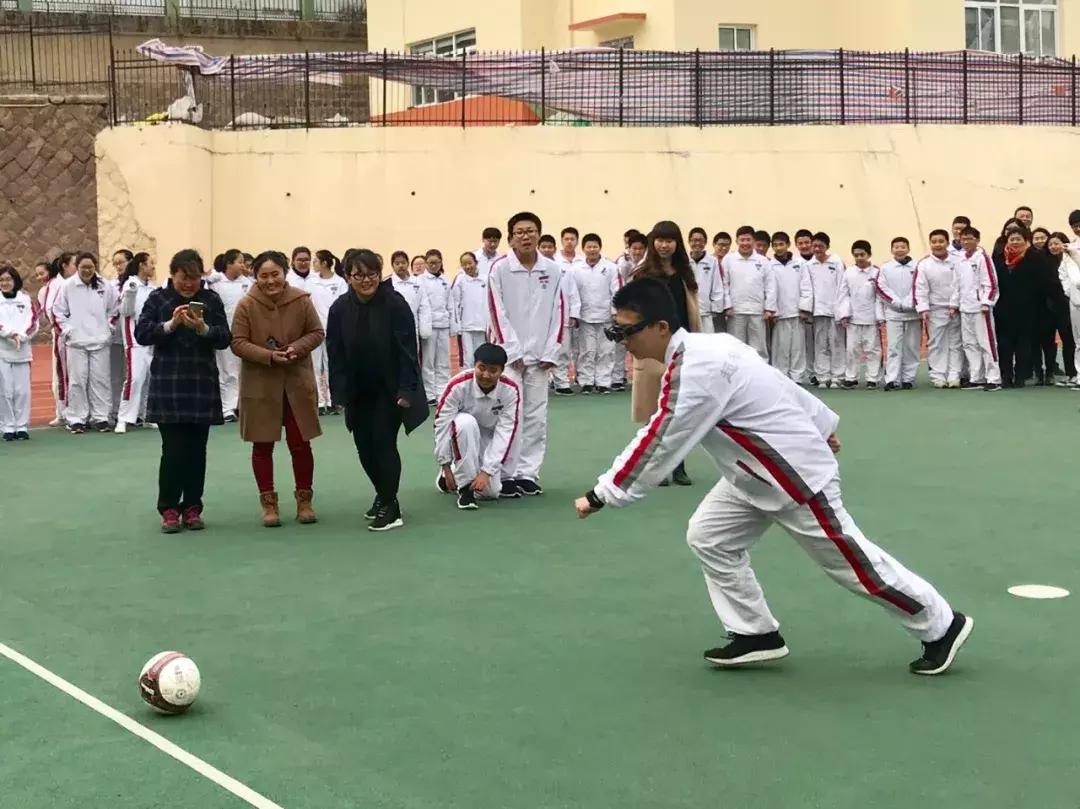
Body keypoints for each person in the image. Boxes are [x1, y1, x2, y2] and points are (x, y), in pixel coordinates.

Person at [574, 277, 973, 675]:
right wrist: (820, 423)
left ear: (660, 327)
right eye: (615, 331)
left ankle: (941, 625)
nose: (621, 341)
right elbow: (777, 382)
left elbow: (661, 439)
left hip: (792, 477)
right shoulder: (712, 346)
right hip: (753, 475)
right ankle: (755, 633)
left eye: (625, 332)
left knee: (855, 567)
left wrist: (602, 494)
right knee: (710, 537)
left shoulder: (695, 370)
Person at [327, 249, 428, 532]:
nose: (366, 280)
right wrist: (339, 392)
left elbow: (408, 351)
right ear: (348, 277)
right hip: (358, 390)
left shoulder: (395, 304)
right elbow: (335, 353)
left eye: (372, 274)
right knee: (364, 446)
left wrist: (406, 390)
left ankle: (391, 506)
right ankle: (382, 494)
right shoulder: (339, 308)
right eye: (358, 275)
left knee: (383, 442)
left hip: (389, 389)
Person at [135, 249, 231, 533]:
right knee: (173, 450)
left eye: (195, 278)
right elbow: (142, 334)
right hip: (169, 386)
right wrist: (171, 324)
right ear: (172, 274)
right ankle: (168, 508)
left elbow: (225, 338)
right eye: (183, 278)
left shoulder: (211, 299)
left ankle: (192, 507)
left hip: (201, 384)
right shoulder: (158, 299)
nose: (189, 284)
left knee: (197, 451)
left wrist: (203, 329)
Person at [231, 250, 325, 528]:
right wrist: (269, 356)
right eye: (264, 276)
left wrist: (296, 348)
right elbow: (237, 342)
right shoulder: (246, 305)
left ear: (285, 273)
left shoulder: (301, 300)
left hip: (296, 382)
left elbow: (317, 333)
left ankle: (304, 500)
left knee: (300, 444)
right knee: (262, 445)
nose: (270, 281)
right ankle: (268, 503)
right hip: (260, 383)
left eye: (275, 274)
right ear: (255, 276)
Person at [487, 212, 567, 497]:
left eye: (531, 231)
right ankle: (505, 474)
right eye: (519, 232)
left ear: (539, 235)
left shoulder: (553, 270)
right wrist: (511, 351)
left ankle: (527, 473)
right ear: (510, 238)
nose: (525, 236)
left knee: (536, 417)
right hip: (509, 359)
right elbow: (496, 312)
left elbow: (560, 311)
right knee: (509, 415)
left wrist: (551, 351)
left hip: (540, 358)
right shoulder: (500, 269)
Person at [628, 220, 700, 487]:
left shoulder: (684, 275)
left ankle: (678, 465)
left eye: (669, 240)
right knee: (653, 411)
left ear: (677, 244)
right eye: (659, 240)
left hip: (681, 347)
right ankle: (655, 467)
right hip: (650, 348)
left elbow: (693, 311)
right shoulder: (642, 274)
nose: (664, 245)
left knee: (680, 409)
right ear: (653, 242)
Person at [434, 342, 521, 510]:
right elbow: (442, 424)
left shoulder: (510, 391)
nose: (486, 375)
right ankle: (465, 490)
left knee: (490, 492)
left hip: (487, 437)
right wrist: (444, 464)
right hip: (459, 433)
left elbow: (505, 433)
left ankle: (457, 474)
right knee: (466, 423)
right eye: (481, 368)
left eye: (493, 370)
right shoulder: (457, 385)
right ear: (474, 365)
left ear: (502, 371)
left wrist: (487, 471)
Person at [53, 252, 119, 433]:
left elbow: (114, 309)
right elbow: (57, 312)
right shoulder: (67, 286)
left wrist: (108, 328)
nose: (87, 271)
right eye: (83, 267)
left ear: (95, 267)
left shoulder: (105, 286)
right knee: (77, 381)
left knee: (100, 380)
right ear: (77, 267)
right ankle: (76, 419)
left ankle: (101, 417)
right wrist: (68, 331)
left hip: (100, 341)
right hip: (76, 343)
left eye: (90, 267)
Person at [993, 224, 1044, 388]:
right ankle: (1006, 375)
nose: (1014, 242)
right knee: (1004, 344)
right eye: (1012, 239)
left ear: (1025, 241)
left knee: (1023, 344)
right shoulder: (999, 258)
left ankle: (1020, 376)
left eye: (1018, 239)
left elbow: (1040, 284)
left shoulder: (1034, 258)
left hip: (1026, 308)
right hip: (1003, 308)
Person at [206, 249, 252, 422]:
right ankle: (227, 408)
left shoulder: (247, 283)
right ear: (228, 264)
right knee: (226, 370)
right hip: (223, 332)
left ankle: (240, 405)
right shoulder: (216, 283)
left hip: (243, 333)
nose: (242, 265)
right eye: (239, 262)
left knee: (242, 371)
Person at [953, 227, 1002, 391]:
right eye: (963, 239)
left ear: (977, 240)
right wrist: (954, 304)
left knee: (986, 343)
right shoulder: (959, 259)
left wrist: (986, 302)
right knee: (969, 344)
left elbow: (991, 283)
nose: (966, 242)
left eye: (970, 238)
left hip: (981, 309)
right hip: (965, 308)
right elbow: (956, 284)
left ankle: (993, 378)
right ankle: (977, 377)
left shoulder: (982, 257)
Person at [572, 233, 620, 394]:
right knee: (587, 351)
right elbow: (573, 293)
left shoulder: (611, 267)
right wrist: (574, 314)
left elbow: (616, 290)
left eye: (595, 246)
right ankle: (586, 381)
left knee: (606, 351)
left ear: (600, 248)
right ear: (583, 248)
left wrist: (615, 312)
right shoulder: (576, 269)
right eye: (589, 247)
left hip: (606, 316)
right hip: (585, 316)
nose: (592, 250)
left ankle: (603, 382)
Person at [115, 252, 157, 432]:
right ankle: (123, 419)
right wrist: (130, 294)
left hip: (151, 339)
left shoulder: (152, 288)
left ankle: (148, 415)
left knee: (151, 379)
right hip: (134, 340)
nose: (153, 267)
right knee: (135, 378)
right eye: (150, 263)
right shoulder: (130, 284)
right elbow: (125, 311)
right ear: (141, 265)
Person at [915, 230, 963, 389]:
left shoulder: (958, 261)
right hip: (935, 310)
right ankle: (938, 375)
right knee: (936, 343)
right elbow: (921, 288)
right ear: (930, 244)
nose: (937, 245)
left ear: (947, 243)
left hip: (956, 309)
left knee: (956, 343)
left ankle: (954, 374)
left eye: (941, 241)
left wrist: (955, 304)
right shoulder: (924, 264)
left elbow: (960, 284)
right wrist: (923, 308)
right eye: (934, 242)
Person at [799, 232, 846, 389]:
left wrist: (842, 310)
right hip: (818, 311)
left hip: (835, 311)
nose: (817, 249)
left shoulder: (837, 262)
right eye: (815, 246)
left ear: (827, 247)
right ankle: (823, 376)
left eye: (820, 246)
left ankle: (838, 376)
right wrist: (807, 309)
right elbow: (807, 288)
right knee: (820, 345)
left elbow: (842, 287)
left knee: (836, 343)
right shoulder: (808, 265)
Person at [873, 237, 921, 390]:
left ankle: (908, 379)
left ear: (908, 249)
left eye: (903, 247)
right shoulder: (886, 268)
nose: (900, 249)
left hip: (913, 313)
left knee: (912, 347)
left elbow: (919, 286)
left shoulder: (917, 266)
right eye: (896, 247)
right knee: (894, 347)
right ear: (892, 249)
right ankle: (892, 379)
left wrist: (909, 302)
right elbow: (881, 287)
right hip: (893, 313)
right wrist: (896, 302)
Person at [837, 240, 885, 389]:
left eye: (862, 255)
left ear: (869, 254)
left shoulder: (877, 273)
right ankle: (851, 377)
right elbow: (843, 294)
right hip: (853, 318)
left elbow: (880, 296)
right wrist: (844, 314)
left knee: (872, 349)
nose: (859, 258)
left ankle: (873, 378)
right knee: (852, 350)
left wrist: (879, 317)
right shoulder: (849, 273)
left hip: (871, 318)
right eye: (856, 255)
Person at [309, 250, 348, 415]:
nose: (313, 264)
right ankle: (319, 402)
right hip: (315, 330)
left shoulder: (339, 282)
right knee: (316, 366)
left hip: (334, 330)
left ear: (324, 263)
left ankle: (334, 400)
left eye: (316, 261)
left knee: (332, 365)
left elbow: (343, 307)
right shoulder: (311, 282)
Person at [764, 231, 806, 384]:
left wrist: (804, 308)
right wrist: (771, 310)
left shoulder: (799, 263)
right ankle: (781, 376)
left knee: (797, 347)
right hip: (780, 313)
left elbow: (806, 286)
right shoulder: (769, 265)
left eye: (781, 244)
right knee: (781, 347)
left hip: (797, 312)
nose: (778, 248)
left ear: (788, 245)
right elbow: (769, 289)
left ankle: (797, 376)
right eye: (775, 245)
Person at [722, 226, 769, 360]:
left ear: (753, 241)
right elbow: (724, 284)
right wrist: (727, 306)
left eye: (748, 240)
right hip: (735, 311)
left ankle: (760, 369)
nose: (745, 243)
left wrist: (769, 308)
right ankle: (736, 370)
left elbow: (770, 286)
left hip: (757, 311)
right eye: (742, 240)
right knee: (736, 346)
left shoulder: (763, 261)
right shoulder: (729, 259)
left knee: (759, 346)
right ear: (737, 241)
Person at [0, 265, 34, 441]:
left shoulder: (26, 300)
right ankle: (8, 426)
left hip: (22, 352)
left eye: (8, 279)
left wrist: (22, 336)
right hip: (2, 352)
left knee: (22, 391)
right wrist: (9, 334)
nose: (4, 283)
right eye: (1, 280)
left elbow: (33, 322)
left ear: (15, 281)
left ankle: (21, 426)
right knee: (5, 391)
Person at [37, 255, 69, 426]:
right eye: (37, 275)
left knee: (65, 373)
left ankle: (67, 412)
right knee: (61, 373)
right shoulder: (46, 289)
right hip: (61, 333)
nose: (39, 277)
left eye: (41, 273)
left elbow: (52, 311)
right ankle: (63, 411)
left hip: (65, 333)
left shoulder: (59, 284)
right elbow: (46, 313)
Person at [418, 248, 453, 404]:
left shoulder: (446, 280)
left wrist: (453, 324)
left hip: (444, 324)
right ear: (426, 263)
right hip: (429, 326)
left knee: (443, 361)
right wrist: (424, 325)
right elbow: (422, 305)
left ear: (441, 263)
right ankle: (429, 393)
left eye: (436, 263)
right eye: (430, 263)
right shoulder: (420, 281)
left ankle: (443, 392)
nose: (433, 266)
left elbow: (450, 304)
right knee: (428, 361)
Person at [552, 227, 584, 396]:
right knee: (561, 350)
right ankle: (561, 382)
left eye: (572, 239)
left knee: (579, 350)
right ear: (562, 241)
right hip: (554, 316)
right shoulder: (554, 263)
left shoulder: (582, 262)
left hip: (573, 315)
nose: (569, 242)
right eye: (566, 239)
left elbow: (573, 292)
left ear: (577, 241)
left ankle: (581, 379)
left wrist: (574, 314)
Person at [1048, 231, 1079, 387]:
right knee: (1075, 341)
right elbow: (1063, 277)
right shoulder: (1066, 254)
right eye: (1051, 244)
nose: (1054, 246)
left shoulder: (1073, 253)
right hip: (1071, 303)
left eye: (1057, 243)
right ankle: (1075, 374)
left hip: (1071, 303)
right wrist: (1070, 293)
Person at [108, 249, 134, 425]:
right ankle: (116, 411)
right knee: (116, 376)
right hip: (116, 336)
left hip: (134, 338)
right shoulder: (111, 286)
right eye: (115, 263)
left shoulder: (138, 283)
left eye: (121, 262)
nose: (118, 266)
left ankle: (135, 412)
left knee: (133, 376)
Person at [451, 251, 488, 371]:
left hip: (482, 326)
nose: (467, 267)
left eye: (470, 263)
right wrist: (457, 325)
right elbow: (455, 303)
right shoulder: (460, 280)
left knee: (481, 358)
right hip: (465, 327)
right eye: (464, 264)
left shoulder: (485, 279)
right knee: (468, 360)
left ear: (476, 262)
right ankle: (467, 380)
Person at [389, 250, 433, 353]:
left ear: (408, 264)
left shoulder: (417, 283)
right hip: (393, 329)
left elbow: (424, 306)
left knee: (412, 355)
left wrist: (425, 329)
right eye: (397, 263)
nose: (400, 266)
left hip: (413, 327)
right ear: (392, 266)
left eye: (403, 263)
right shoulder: (388, 284)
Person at [688, 227, 717, 334]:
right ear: (689, 242)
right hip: (688, 310)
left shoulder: (712, 261)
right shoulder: (684, 261)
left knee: (708, 340)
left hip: (706, 311)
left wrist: (715, 307)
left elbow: (716, 285)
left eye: (700, 240)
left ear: (705, 242)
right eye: (694, 240)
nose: (697, 243)